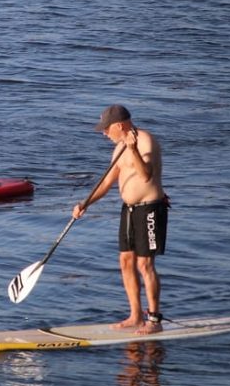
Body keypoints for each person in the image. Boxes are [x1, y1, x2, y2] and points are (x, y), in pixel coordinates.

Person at [72, 105, 169, 335]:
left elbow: (146, 177)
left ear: (120, 125)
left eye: (107, 129)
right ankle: (135, 316)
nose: (105, 134)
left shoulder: (146, 142)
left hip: (150, 210)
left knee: (145, 265)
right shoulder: (117, 150)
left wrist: (133, 149)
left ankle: (154, 319)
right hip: (129, 210)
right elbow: (106, 184)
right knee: (126, 262)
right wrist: (85, 203)